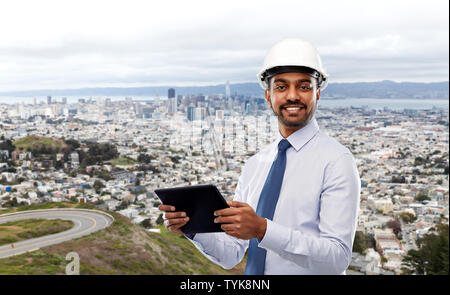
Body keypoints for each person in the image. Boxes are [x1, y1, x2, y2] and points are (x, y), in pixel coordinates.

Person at [158, 38, 360, 275]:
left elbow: (337, 258)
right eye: (281, 87)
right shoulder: (255, 165)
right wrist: (192, 228)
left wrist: (263, 230)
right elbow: (231, 254)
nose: (292, 96)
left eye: (304, 87)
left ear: (318, 93)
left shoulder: (336, 162)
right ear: (268, 95)